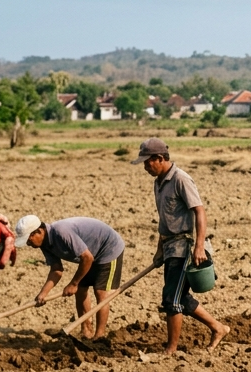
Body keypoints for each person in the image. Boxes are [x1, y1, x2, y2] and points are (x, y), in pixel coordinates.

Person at [132, 138, 231, 355]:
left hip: (185, 248)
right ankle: (218, 328)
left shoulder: (181, 179)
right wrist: (159, 250)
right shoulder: (158, 183)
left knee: (172, 299)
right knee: (180, 297)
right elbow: (164, 220)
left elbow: (199, 211)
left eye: (148, 162)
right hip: (170, 248)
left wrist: (199, 247)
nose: (146, 167)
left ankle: (171, 349)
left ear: (159, 158)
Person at [15, 215, 125, 340]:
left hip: (108, 249)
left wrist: (73, 284)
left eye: (29, 240)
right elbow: (56, 270)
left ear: (39, 231)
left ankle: (99, 336)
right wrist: (43, 293)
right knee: (81, 290)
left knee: (101, 292)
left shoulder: (61, 232)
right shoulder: (44, 244)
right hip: (90, 254)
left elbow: (87, 258)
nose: (28, 244)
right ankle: (86, 330)